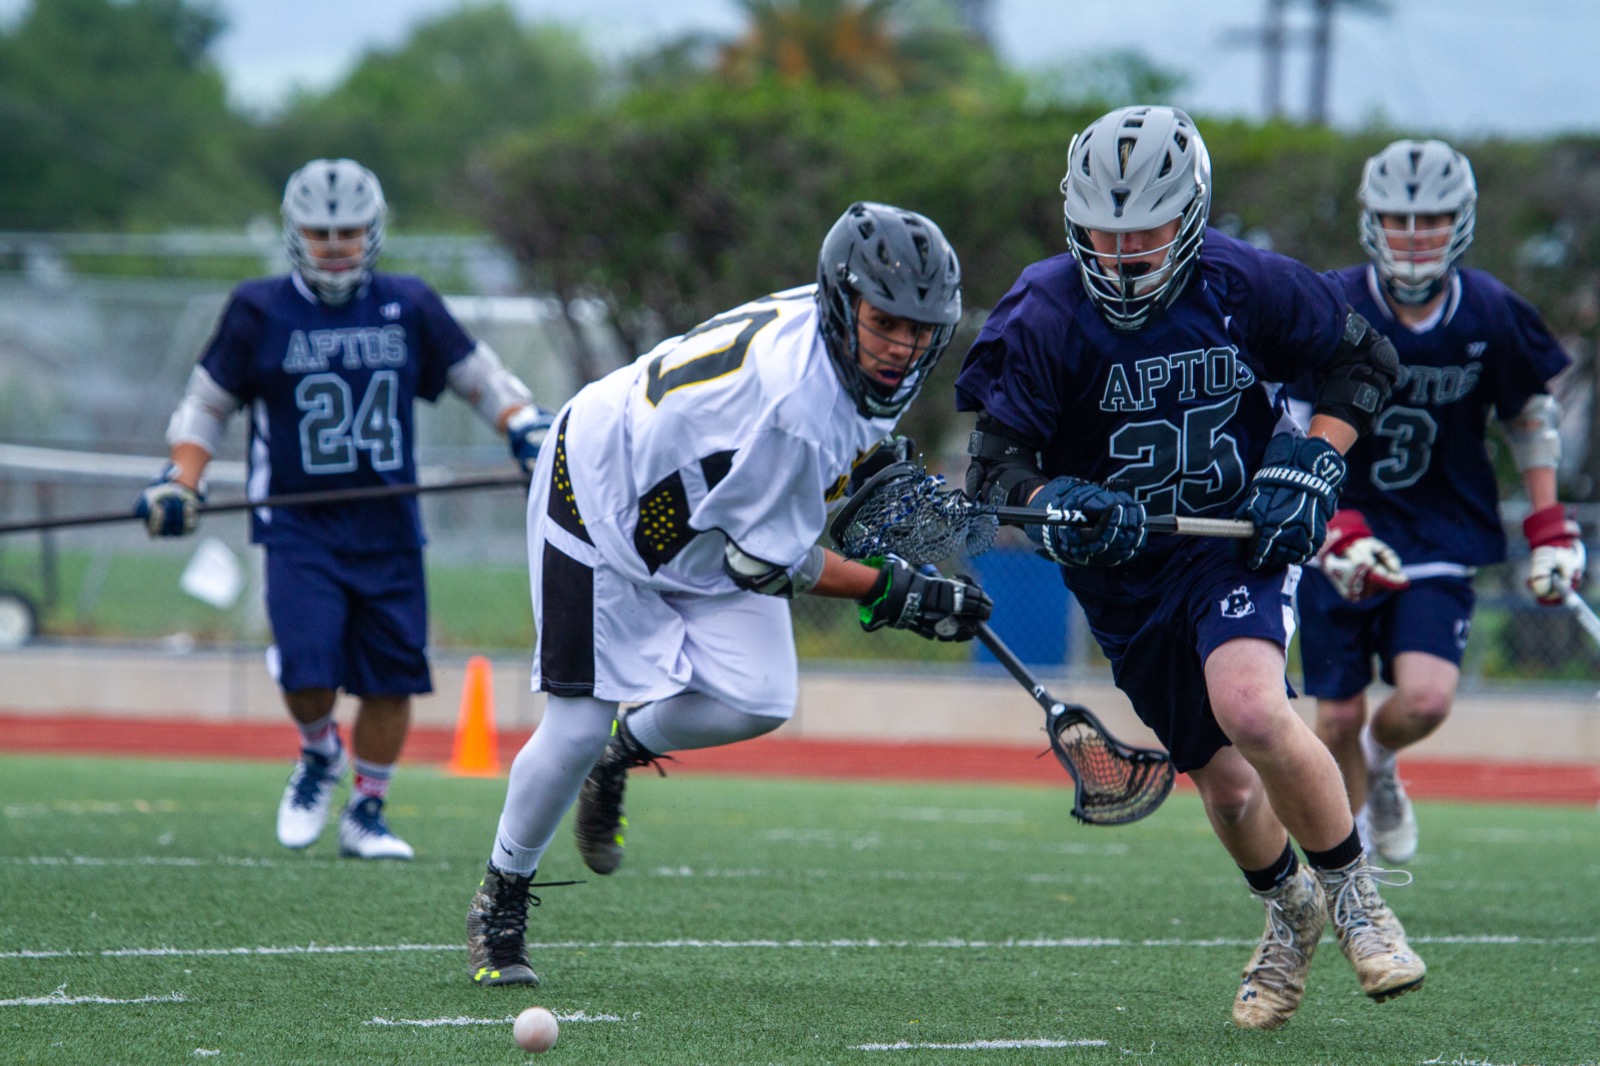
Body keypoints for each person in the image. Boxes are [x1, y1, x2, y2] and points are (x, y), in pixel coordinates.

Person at [954, 105, 1424, 1031]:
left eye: (1146, 229)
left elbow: (1364, 360)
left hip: (1230, 542)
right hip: (1123, 579)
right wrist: (1060, 508)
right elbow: (998, 469)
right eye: (1104, 230)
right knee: (1231, 785)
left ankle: (1357, 898)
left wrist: (1316, 459)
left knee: (1252, 706)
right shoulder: (1044, 311)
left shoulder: (1243, 283)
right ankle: (1288, 915)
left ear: (1193, 212)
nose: (1124, 251)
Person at [464, 201, 993, 988]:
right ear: (847, 302)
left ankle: (626, 752)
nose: (902, 346)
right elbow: (768, 568)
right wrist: (894, 591)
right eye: (887, 322)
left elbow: (811, 467)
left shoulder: (826, 335)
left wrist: (869, 466)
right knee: (575, 724)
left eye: (922, 329)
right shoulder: (796, 413)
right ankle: (500, 898)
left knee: (760, 695)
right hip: (603, 500)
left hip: (700, 515)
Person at [137, 158, 554, 861]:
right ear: (296, 233)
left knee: (392, 679)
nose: (335, 243)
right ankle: (318, 753)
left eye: (348, 230)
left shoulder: (410, 302)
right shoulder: (258, 309)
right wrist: (183, 479)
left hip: (388, 524)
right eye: (320, 231)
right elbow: (208, 404)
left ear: (373, 231)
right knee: (306, 670)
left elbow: (478, 378)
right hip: (299, 522)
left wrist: (522, 423)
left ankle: (367, 810)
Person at [1290, 139, 1577, 865]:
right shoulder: (1334, 304)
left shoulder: (1490, 311)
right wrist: (1332, 522)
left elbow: (1528, 416)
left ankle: (1381, 767)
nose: (1414, 235)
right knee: (1338, 713)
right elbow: (1290, 422)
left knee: (1424, 700)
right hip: (1341, 526)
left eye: (1431, 218)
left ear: (1461, 221)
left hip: (1441, 528)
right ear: (1371, 221)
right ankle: (1352, 871)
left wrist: (1549, 527)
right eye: (1398, 219)